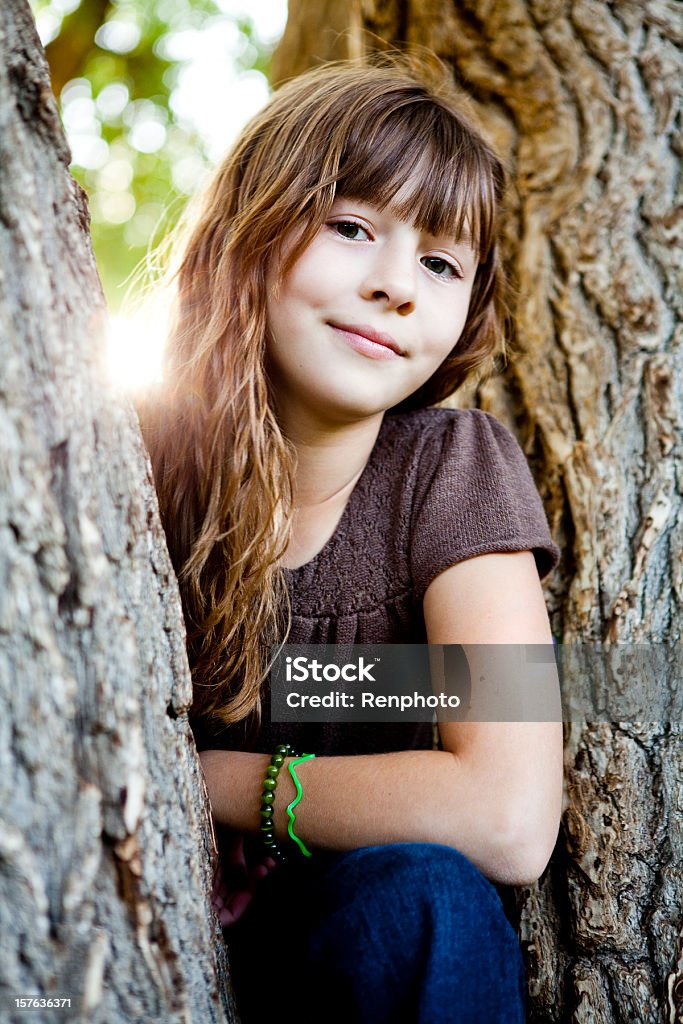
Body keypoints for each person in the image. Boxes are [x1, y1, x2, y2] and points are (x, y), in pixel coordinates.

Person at [139, 51, 563, 1024]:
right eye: (350, 226)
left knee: (423, 900)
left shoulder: (448, 468)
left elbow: (506, 814)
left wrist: (208, 778)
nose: (394, 286)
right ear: (249, 230)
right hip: (143, 934)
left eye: (439, 261)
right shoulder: (133, 472)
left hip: (355, 945)